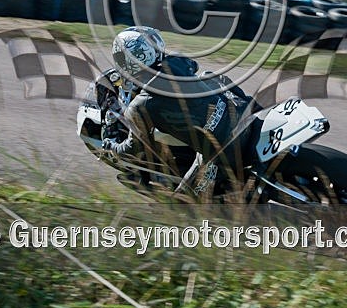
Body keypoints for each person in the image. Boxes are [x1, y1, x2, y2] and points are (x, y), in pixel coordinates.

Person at [100, 26, 254, 200]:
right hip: (243, 114)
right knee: (208, 76)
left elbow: (134, 148)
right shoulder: (178, 62)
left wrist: (111, 147)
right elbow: (192, 65)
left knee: (181, 205)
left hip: (223, 150)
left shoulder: (140, 106)